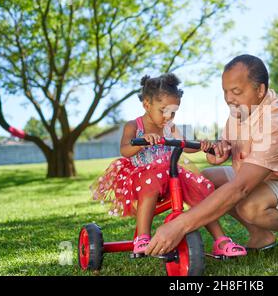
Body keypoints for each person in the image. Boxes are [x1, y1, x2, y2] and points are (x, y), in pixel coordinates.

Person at [145, 55, 278, 264]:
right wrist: (219, 151)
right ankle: (261, 236)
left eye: (236, 91)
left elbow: (240, 188)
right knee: (206, 179)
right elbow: (226, 147)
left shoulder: (277, 123)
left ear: (260, 90)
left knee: (249, 205)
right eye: (225, 91)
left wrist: (180, 225)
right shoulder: (240, 109)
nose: (228, 98)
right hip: (266, 179)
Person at [90, 73, 246, 257]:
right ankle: (142, 237)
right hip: (141, 178)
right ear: (147, 105)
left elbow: (184, 145)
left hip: (169, 176)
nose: (168, 116)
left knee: (200, 193)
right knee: (150, 183)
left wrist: (200, 146)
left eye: (173, 112)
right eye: (163, 110)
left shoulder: (170, 127)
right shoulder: (133, 126)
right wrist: (142, 142)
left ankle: (221, 240)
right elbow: (125, 149)